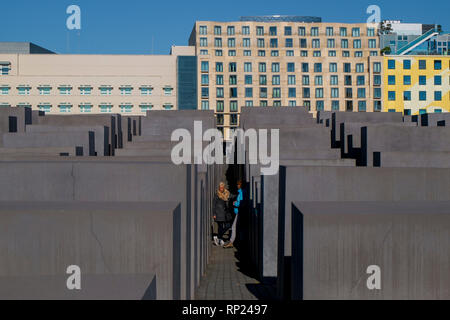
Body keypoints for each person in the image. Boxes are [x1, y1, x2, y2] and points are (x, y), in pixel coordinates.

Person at [224, 180, 243, 249]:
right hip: (237, 212)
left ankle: (231, 242)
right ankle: (233, 242)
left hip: (239, 212)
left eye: (238, 185)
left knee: (234, 227)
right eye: (237, 184)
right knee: (237, 227)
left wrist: (235, 203)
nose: (237, 186)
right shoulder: (240, 192)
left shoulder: (241, 193)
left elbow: (241, 202)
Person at [213, 182, 231, 247]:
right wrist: (214, 214)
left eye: (222, 188)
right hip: (219, 214)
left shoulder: (227, 193)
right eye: (220, 188)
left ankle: (218, 237)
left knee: (227, 225)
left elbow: (231, 197)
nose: (221, 189)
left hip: (225, 214)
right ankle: (220, 239)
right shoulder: (217, 195)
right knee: (220, 226)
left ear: (224, 188)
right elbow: (214, 205)